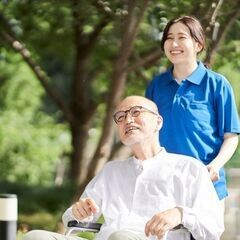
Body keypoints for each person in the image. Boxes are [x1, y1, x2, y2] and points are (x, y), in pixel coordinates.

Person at [23, 96, 224, 240]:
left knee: (121, 237)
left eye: (136, 112)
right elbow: (72, 219)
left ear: (158, 122)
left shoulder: (189, 168)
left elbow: (213, 227)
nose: (127, 120)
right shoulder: (111, 171)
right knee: (35, 236)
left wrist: (180, 214)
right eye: (120, 117)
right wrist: (78, 212)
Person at [145, 15, 240, 201]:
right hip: (162, 186)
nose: (174, 43)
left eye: (181, 37)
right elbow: (147, 134)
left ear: (198, 45)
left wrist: (215, 166)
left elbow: (231, 137)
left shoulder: (217, 84)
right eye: (169, 38)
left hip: (206, 184)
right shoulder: (156, 86)